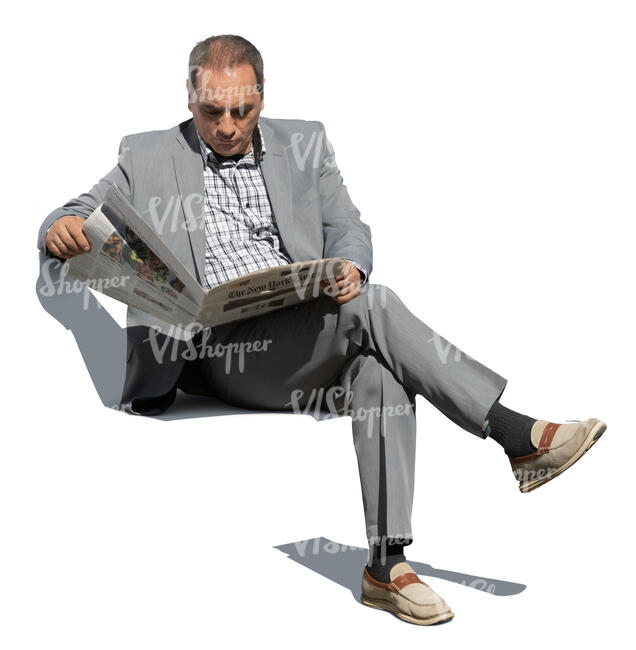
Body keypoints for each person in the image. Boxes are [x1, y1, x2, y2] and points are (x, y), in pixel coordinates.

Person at [37, 34, 607, 626]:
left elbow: (349, 226)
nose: (228, 126)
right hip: (215, 354)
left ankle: (387, 567)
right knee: (378, 309)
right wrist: (61, 228)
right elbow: (73, 211)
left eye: (242, 110)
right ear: (188, 98)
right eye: (212, 111)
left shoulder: (303, 141)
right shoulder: (147, 154)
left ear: (262, 97)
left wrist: (349, 267)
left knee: (378, 369)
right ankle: (517, 434)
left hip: (302, 333)